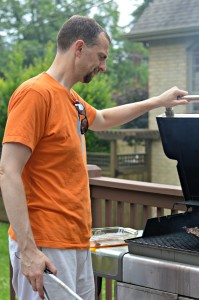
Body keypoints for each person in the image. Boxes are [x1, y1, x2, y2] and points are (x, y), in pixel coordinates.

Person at [0, 15, 188, 300]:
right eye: (100, 57)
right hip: (46, 244)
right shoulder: (35, 94)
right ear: (78, 48)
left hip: (77, 241)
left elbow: (101, 118)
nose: (103, 66)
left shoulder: (71, 99)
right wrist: (28, 252)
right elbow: (8, 171)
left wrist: (158, 102)